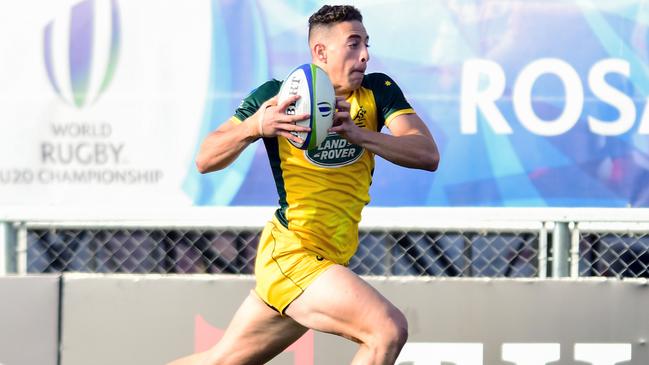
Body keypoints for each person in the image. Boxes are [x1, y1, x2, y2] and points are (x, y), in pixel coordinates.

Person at [168, 4, 439, 365]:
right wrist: (254, 127)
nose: (365, 55)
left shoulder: (378, 91)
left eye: (367, 44)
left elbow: (426, 154)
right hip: (292, 255)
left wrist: (361, 136)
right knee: (386, 329)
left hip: (328, 256)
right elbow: (205, 159)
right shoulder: (279, 97)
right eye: (354, 44)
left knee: (220, 361)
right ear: (320, 52)